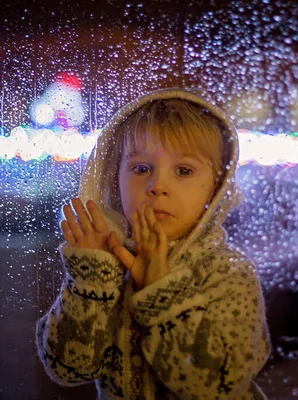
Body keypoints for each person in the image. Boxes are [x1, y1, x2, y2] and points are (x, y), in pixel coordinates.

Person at [36, 88, 271, 399]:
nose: (157, 186)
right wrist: (89, 279)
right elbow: (67, 368)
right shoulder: (106, 262)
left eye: (184, 171)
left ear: (217, 188)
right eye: (141, 168)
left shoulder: (227, 273)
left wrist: (163, 293)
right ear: (113, 179)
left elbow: (219, 387)